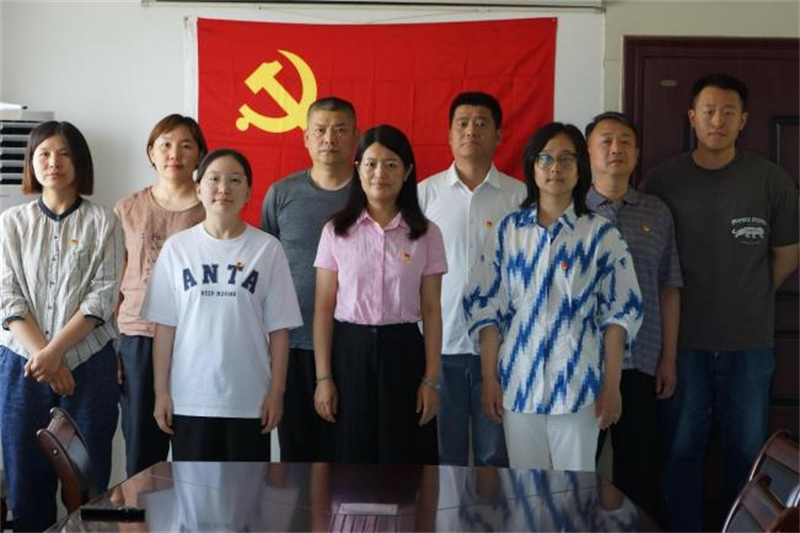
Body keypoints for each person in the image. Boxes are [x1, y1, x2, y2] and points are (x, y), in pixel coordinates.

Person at [643, 73, 800, 533]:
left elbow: (787, 255)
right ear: (692, 117)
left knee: (747, 456)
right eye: (709, 111)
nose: (718, 120)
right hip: (681, 345)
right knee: (680, 451)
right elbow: (649, 259)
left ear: (743, 120)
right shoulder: (662, 180)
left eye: (729, 112)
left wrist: (747, 294)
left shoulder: (770, 180)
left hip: (749, 343)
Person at [465, 122, 643, 472]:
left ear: (580, 168)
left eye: (566, 159)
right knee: (525, 493)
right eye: (545, 159)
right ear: (532, 167)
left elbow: (621, 314)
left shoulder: (601, 235)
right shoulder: (508, 231)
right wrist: (489, 380)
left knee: (574, 493)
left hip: (579, 387)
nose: (555, 168)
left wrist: (612, 385)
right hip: (519, 384)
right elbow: (485, 308)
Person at [0, 121, 124, 533]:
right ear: (31, 163)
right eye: (44, 154)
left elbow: (102, 298)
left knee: (88, 484)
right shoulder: (11, 223)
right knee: (26, 484)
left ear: (80, 162)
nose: (54, 162)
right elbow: (7, 297)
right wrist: (46, 359)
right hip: (22, 366)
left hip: (89, 364)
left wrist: (55, 355)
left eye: (65, 153)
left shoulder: (105, 221)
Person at [142, 149, 302, 461]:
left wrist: (276, 392)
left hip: (249, 399)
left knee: (247, 491)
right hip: (190, 399)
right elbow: (164, 328)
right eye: (214, 179)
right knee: (194, 490)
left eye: (235, 180)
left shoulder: (268, 249)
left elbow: (280, 331)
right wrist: (161, 392)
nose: (223, 188)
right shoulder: (177, 249)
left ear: (249, 192)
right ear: (198, 189)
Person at [313, 125, 447, 464]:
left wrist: (431, 379)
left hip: (404, 352)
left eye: (391, 165)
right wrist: (323, 377)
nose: (380, 174)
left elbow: (432, 310)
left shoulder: (427, 233)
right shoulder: (335, 231)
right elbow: (324, 308)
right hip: (349, 352)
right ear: (358, 168)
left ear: (407, 172)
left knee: (404, 458)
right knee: (351, 457)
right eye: (371, 164)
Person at [418, 91, 524, 467]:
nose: (471, 130)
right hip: (439, 347)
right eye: (462, 123)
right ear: (449, 134)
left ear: (499, 135)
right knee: (443, 457)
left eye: (481, 123)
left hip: (500, 350)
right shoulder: (424, 195)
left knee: (494, 456)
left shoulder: (520, 196)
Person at [585, 111, 682, 517]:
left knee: (638, 474)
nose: (616, 149)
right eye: (605, 140)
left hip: (642, 362)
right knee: (575, 473)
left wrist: (668, 358)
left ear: (638, 153)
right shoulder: (570, 209)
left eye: (625, 141)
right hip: (583, 366)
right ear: (589, 151)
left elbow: (669, 287)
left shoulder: (657, 212)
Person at [260, 97, 357, 462]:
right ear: (305, 137)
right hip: (294, 343)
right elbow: (263, 266)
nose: (329, 138)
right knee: (298, 457)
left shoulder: (370, 193)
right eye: (320, 130)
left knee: (350, 456)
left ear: (355, 137)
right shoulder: (282, 193)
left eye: (340, 130)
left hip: (352, 343)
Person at [115, 114, 208, 477]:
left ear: (199, 154)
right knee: (142, 451)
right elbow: (114, 282)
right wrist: (113, 348)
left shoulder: (211, 206)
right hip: (138, 337)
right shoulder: (128, 208)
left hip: (194, 340)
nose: (175, 154)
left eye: (186, 145)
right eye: (165, 144)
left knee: (195, 450)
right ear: (151, 152)